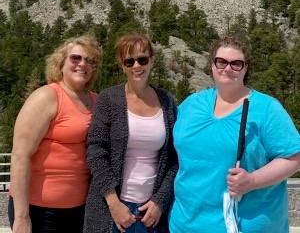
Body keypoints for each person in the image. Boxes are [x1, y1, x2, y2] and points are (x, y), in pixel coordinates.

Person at [169, 35, 300, 233]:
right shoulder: (191, 104)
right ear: (212, 65)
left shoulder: (266, 109)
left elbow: (294, 158)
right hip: (184, 224)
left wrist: (252, 181)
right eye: (221, 61)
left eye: (236, 63)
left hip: (243, 226)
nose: (227, 68)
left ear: (246, 68)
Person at [83, 32, 178, 233]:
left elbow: (174, 159)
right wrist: (113, 202)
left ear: (152, 61)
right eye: (129, 61)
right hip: (112, 209)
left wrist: (160, 201)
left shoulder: (166, 101)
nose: (136, 66)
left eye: (142, 59)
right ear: (122, 64)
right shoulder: (109, 99)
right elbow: (96, 151)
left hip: (151, 214)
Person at [8, 35, 102, 233]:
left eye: (89, 60)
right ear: (61, 63)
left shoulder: (97, 101)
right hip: (40, 211)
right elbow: (20, 156)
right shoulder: (47, 97)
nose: (82, 64)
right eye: (75, 58)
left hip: (80, 211)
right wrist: (22, 217)